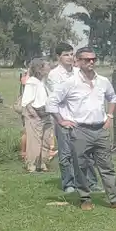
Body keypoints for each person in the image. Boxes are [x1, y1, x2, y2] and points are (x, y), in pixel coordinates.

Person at [49, 46, 116, 211]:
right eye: (86, 59)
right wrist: (62, 121)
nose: (91, 62)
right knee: (81, 167)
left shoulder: (102, 81)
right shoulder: (70, 83)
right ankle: (85, 198)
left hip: (100, 129)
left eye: (93, 59)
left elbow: (112, 97)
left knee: (107, 166)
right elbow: (51, 103)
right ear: (78, 61)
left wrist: (110, 116)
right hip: (79, 130)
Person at [44, 44, 81, 193]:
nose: (70, 57)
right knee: (65, 153)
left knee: (82, 152)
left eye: (72, 54)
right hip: (63, 117)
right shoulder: (54, 75)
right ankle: (68, 183)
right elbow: (60, 96)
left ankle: (86, 181)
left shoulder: (79, 72)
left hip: (80, 117)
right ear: (59, 57)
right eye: (66, 55)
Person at [18, 58, 51, 173]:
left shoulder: (43, 81)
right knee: (34, 140)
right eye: (46, 65)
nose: (49, 67)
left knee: (46, 139)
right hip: (35, 113)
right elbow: (27, 101)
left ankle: (42, 162)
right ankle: (32, 164)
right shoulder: (32, 82)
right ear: (40, 68)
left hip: (45, 112)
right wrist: (33, 114)